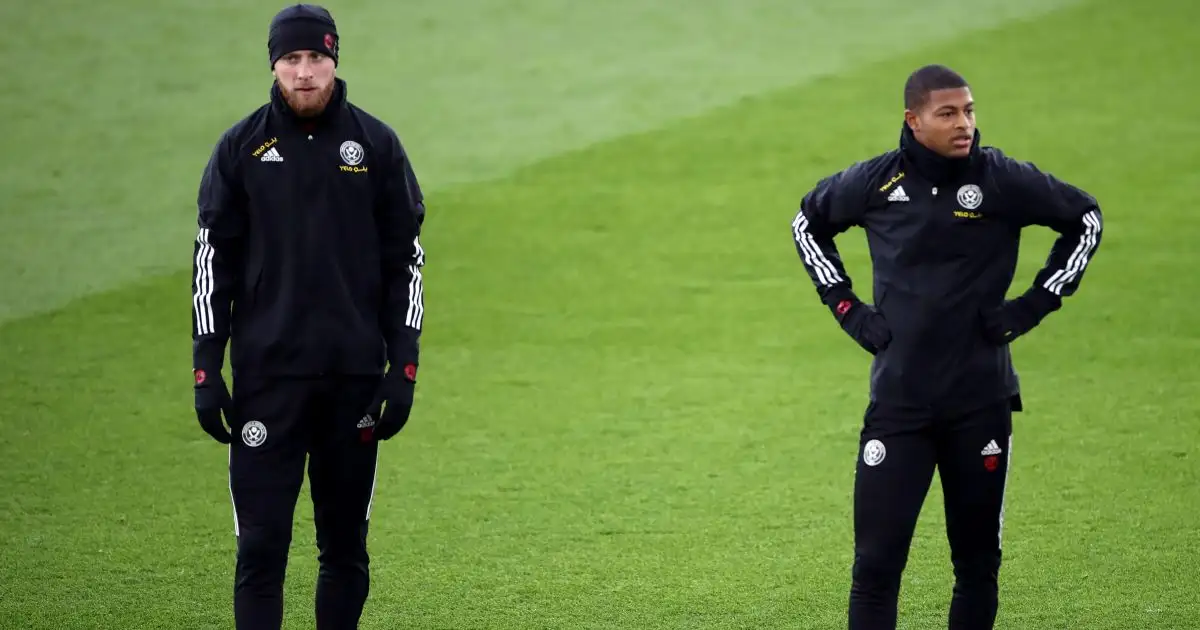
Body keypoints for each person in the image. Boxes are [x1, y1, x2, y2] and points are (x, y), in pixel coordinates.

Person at [788, 64, 1103, 629]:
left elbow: (1085, 218)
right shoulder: (877, 183)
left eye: (970, 110)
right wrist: (847, 308)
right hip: (899, 406)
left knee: (977, 566)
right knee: (876, 567)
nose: (965, 124)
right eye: (948, 113)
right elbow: (806, 222)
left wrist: (1032, 305)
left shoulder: (1000, 179)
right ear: (913, 120)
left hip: (978, 403)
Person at [189, 4, 427, 628]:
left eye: (315, 58)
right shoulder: (241, 149)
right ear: (273, 65)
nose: (303, 73)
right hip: (269, 384)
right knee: (261, 551)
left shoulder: (376, 147)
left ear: (334, 61)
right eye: (290, 59)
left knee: (344, 550)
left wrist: (402, 368)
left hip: (353, 382)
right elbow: (210, 263)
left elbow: (408, 262)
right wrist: (207, 370)